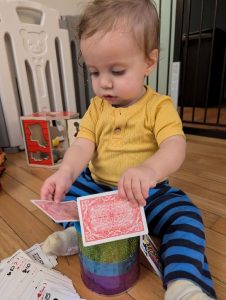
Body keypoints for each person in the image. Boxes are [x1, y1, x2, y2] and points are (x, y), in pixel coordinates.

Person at [40, 0, 216, 299]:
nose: (103, 83)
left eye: (117, 71)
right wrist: (66, 172)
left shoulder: (158, 106)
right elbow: (83, 143)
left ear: (149, 61)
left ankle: (183, 282)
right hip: (98, 189)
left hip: (147, 194)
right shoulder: (97, 107)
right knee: (64, 195)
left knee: (186, 217)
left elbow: (175, 145)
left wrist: (148, 170)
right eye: (94, 72)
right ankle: (78, 232)